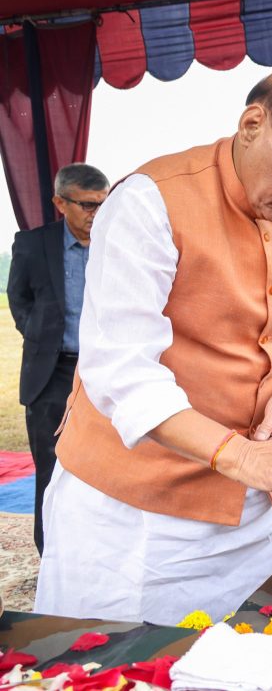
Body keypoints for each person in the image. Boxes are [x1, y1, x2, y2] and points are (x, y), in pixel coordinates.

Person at [33, 65, 272, 626]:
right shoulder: (148, 202)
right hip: (135, 518)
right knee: (125, 667)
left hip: (255, 512)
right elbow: (126, 373)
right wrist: (245, 455)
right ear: (252, 124)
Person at [8, 163, 109, 554]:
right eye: (86, 205)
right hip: (51, 375)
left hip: (102, 375)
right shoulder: (32, 244)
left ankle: (96, 553)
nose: (95, 214)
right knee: (51, 470)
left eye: (102, 204)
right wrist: (42, 338)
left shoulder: (114, 244)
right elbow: (20, 301)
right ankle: (50, 555)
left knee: (104, 469)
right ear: (59, 203)